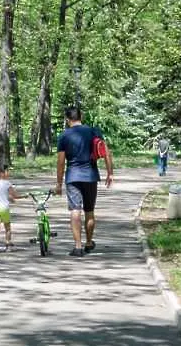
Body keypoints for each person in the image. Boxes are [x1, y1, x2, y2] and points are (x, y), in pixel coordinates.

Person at [55, 106, 114, 257]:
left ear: (67, 120)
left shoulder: (64, 136)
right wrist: (110, 173)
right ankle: (88, 242)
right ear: (81, 116)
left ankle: (78, 247)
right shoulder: (93, 131)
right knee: (89, 211)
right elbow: (106, 152)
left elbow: (61, 162)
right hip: (91, 176)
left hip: (73, 177)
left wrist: (59, 183)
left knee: (75, 210)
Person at [0, 166, 23, 253]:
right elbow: (15, 195)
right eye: (6, 172)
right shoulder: (7, 183)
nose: (7, 173)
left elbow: (1, 194)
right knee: (7, 227)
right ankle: (8, 244)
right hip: (4, 208)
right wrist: (24, 196)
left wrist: (9, 198)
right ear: (1, 174)